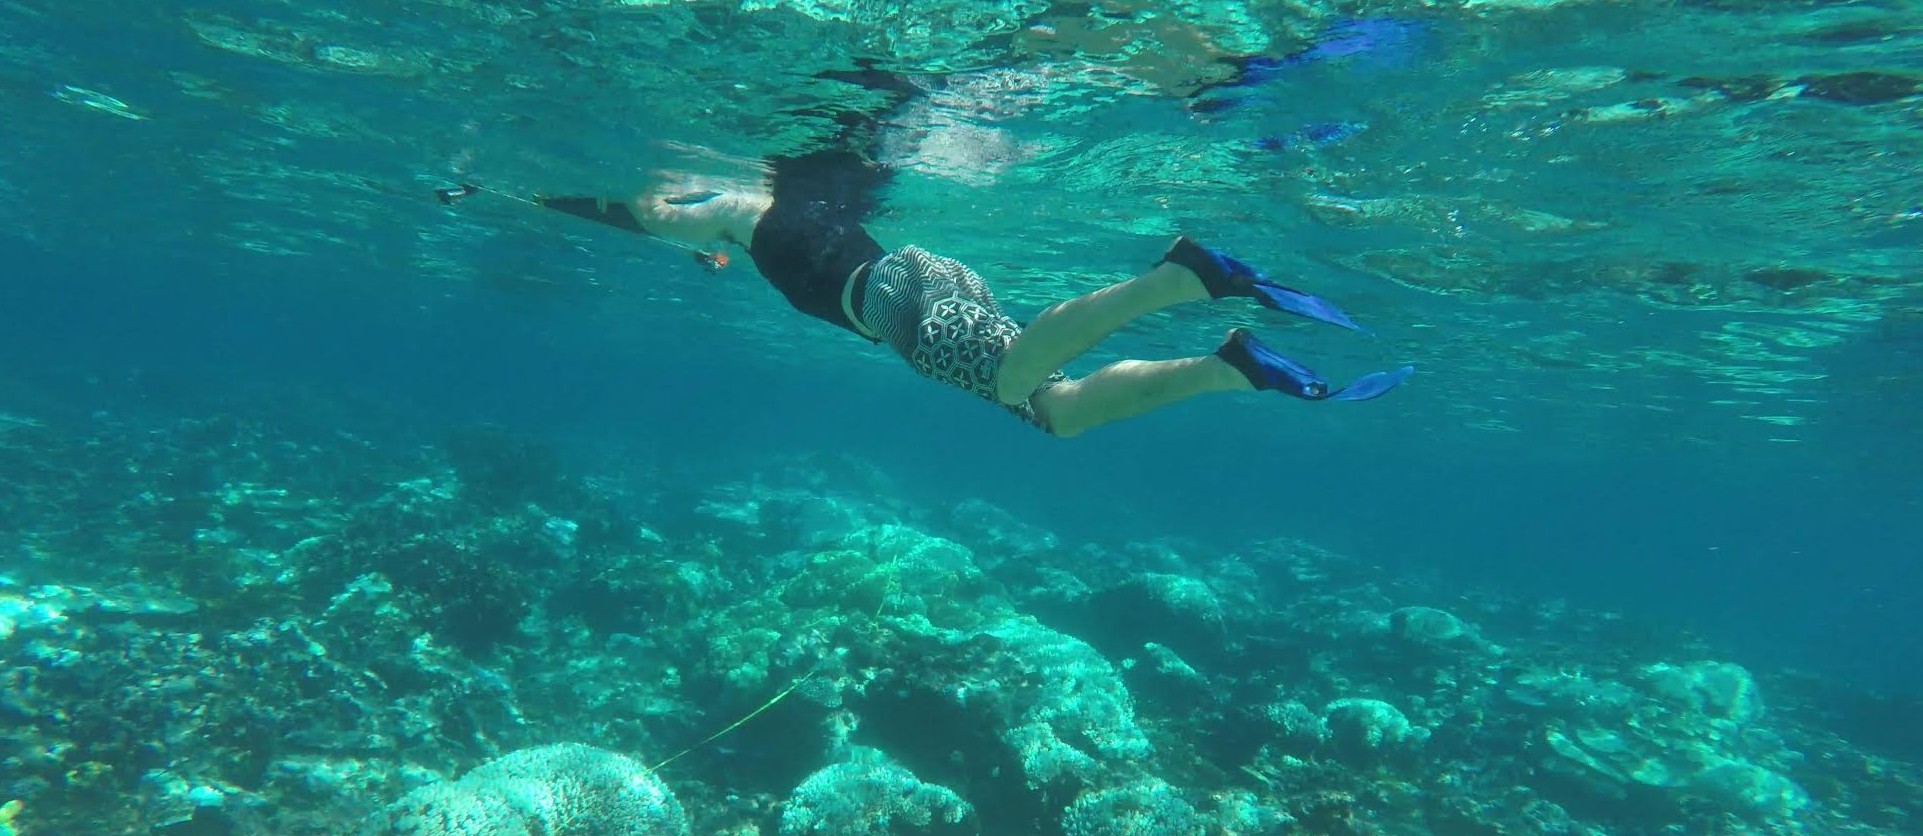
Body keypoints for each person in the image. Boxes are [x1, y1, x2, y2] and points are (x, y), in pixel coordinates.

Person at [443, 71, 1412, 439]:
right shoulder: (778, 210)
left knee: (1010, 377)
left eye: (684, 201)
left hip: (896, 298)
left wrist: (539, 194)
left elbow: (640, 215)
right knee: (1056, 413)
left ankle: (1181, 275)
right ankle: (1228, 367)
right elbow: (679, 225)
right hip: (923, 272)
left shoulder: (737, 208)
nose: (678, 208)